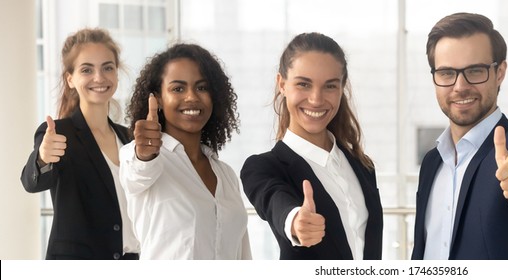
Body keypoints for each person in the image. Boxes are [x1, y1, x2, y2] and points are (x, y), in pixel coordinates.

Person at [410, 13, 508, 260]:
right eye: (447, 73)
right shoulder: (431, 163)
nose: (460, 86)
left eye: (475, 70)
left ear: (500, 72)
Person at [241, 32, 383, 260]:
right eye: (304, 84)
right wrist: (296, 221)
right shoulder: (263, 167)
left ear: (341, 88)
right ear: (282, 84)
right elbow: (274, 201)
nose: (316, 99)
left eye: (329, 86)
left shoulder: (362, 166)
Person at [119, 43, 250, 259]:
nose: (192, 97)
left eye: (202, 87)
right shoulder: (139, 156)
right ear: (158, 98)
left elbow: (242, 254)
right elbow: (139, 169)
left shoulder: (226, 174)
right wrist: (145, 153)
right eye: (178, 89)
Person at [20, 28, 140, 260]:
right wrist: (43, 158)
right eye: (87, 69)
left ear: (116, 74)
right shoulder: (57, 133)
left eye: (108, 67)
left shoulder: (129, 138)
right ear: (71, 79)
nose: (99, 77)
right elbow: (30, 182)